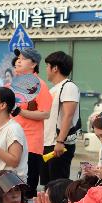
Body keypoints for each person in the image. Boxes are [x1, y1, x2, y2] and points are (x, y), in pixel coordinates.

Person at [11, 48, 52, 197]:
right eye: (18, 58)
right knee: (9, 187)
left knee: (26, 190)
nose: (18, 61)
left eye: (23, 58)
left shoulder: (40, 85)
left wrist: (20, 112)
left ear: (34, 63)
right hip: (11, 140)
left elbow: (45, 113)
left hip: (30, 144)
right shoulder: (12, 84)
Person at [41, 51, 80, 184]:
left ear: (55, 68)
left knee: (57, 187)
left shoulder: (68, 86)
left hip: (58, 145)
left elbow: (68, 115)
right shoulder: (53, 90)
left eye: (47, 66)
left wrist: (60, 141)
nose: (46, 69)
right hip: (48, 143)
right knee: (48, 186)